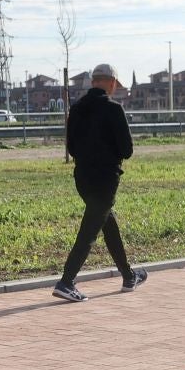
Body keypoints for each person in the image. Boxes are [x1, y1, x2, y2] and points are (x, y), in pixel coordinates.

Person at [53, 63, 147, 302]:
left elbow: (71, 147)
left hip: (82, 178)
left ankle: (128, 276)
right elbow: (127, 150)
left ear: (93, 81)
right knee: (89, 231)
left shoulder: (76, 110)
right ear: (112, 83)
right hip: (105, 179)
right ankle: (66, 281)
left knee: (106, 220)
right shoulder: (114, 110)